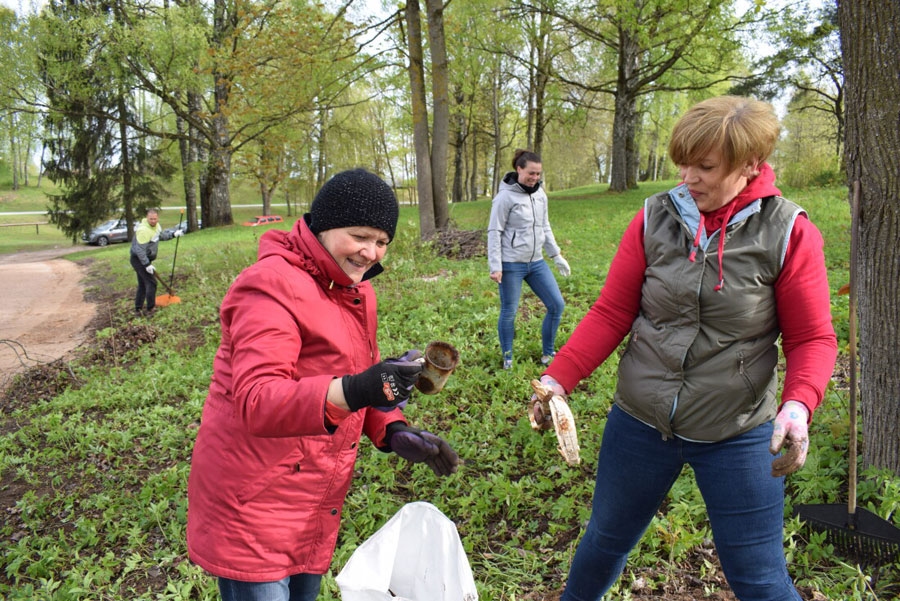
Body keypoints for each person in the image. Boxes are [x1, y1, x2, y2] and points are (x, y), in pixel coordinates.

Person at [538, 96, 837, 601]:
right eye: (683, 162)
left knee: (759, 578)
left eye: (705, 166)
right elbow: (612, 311)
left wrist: (798, 404)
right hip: (641, 419)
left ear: (749, 166)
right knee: (604, 543)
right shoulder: (656, 216)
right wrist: (557, 376)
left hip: (738, 430)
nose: (687, 177)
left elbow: (812, 337)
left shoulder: (787, 231)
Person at [186, 168, 460, 601]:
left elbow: (358, 375)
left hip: (308, 500)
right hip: (252, 502)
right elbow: (259, 401)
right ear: (324, 225)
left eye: (383, 241)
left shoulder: (352, 289)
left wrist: (392, 428)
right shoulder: (269, 286)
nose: (372, 252)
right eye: (360, 236)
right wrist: (358, 390)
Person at [488, 149, 570, 370]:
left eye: (538, 174)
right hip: (511, 264)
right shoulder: (504, 197)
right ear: (519, 169)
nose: (534, 178)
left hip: (536, 262)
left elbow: (545, 226)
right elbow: (494, 231)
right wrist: (495, 266)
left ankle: (548, 353)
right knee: (509, 311)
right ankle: (507, 357)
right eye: (531, 173)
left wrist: (556, 255)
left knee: (557, 305)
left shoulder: (540, 194)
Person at [130, 208, 181, 315]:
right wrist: (147, 264)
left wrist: (173, 234)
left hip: (145, 260)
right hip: (139, 259)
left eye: (155, 219)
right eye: (151, 219)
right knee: (151, 282)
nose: (153, 221)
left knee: (143, 284)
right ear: (147, 218)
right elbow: (139, 250)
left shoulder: (156, 227)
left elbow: (160, 236)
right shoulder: (143, 230)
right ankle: (150, 309)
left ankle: (138, 309)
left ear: (157, 218)